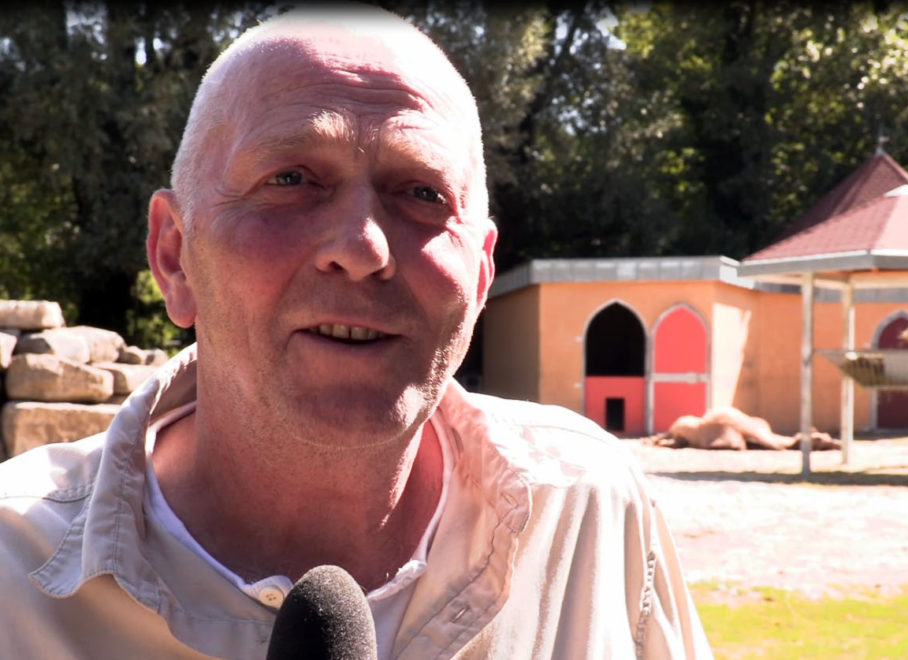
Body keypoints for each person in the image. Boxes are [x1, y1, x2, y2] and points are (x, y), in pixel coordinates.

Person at [0, 5, 712, 659]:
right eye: (291, 180)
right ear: (174, 255)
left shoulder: (589, 515)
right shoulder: (13, 570)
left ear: (481, 278)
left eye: (423, 193)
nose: (363, 248)